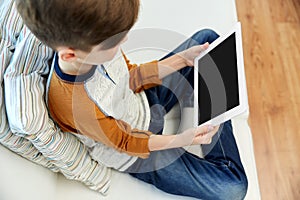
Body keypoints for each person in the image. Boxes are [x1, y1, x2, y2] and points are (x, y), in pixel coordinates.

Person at [15, 0, 248, 199]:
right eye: (115, 42)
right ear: (70, 54)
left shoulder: (97, 39)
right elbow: (126, 142)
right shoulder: (75, 105)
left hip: (143, 102)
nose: (124, 41)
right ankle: (213, 114)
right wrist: (181, 139)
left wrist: (181, 59)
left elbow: (132, 77)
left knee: (207, 41)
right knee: (233, 189)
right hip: (136, 153)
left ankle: (215, 111)